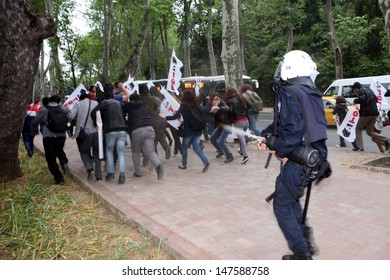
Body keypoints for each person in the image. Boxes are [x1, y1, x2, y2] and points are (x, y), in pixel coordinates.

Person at [259, 50, 329, 260]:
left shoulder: (288, 92)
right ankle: (306, 243)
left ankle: (302, 254)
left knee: (282, 206)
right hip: (315, 159)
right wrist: (266, 136)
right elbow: (287, 123)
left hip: (298, 163)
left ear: (289, 68)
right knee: (289, 198)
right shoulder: (309, 91)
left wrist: (280, 151)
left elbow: (292, 130)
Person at [161, 89, 210, 172]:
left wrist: (165, 117)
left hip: (188, 130)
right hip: (198, 129)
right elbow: (205, 110)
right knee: (196, 147)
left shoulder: (184, 105)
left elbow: (175, 116)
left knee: (184, 147)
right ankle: (206, 161)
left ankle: (184, 164)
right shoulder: (196, 104)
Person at [91, 83, 128, 184]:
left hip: (110, 130)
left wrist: (97, 123)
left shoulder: (104, 103)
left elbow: (93, 113)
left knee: (109, 151)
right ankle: (122, 173)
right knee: (121, 152)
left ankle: (111, 172)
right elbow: (124, 114)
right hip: (122, 129)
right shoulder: (119, 103)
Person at [31, 95, 71, 185]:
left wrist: (33, 131)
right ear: (59, 101)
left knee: (50, 158)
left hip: (48, 137)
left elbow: (35, 121)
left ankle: (59, 178)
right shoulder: (63, 109)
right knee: (59, 150)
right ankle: (64, 161)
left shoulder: (44, 109)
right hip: (61, 136)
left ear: (50, 101)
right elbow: (70, 118)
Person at [124, 93, 164, 180]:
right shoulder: (145, 104)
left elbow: (124, 113)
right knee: (150, 151)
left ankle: (138, 172)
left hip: (136, 130)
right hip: (149, 128)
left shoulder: (128, 105)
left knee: (135, 152)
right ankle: (157, 164)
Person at [69, 92, 102, 181]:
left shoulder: (78, 104)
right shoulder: (96, 103)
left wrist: (69, 110)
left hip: (84, 132)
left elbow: (71, 116)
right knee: (97, 153)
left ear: (81, 98)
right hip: (96, 132)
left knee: (84, 152)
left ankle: (90, 169)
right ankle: (98, 175)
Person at [352, 82, 390, 153]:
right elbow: (375, 99)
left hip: (367, 114)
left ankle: (360, 147)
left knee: (358, 128)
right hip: (375, 113)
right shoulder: (368, 89)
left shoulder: (361, 90)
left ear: (356, 88)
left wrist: (355, 101)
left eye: (354, 91)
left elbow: (362, 100)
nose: (355, 93)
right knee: (369, 132)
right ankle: (386, 139)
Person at [223, 88, 250, 164]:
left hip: (238, 122)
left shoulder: (229, 101)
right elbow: (249, 106)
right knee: (243, 138)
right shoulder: (241, 98)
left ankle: (245, 156)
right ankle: (242, 151)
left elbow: (230, 112)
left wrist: (231, 122)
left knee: (241, 139)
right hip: (246, 120)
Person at [208, 93, 234, 163]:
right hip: (220, 125)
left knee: (221, 141)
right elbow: (211, 114)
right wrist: (212, 110)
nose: (215, 100)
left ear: (219, 98)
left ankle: (229, 156)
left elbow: (227, 108)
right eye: (214, 99)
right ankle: (221, 151)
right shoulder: (213, 105)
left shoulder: (222, 103)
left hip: (226, 125)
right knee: (212, 138)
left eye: (217, 99)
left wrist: (219, 108)